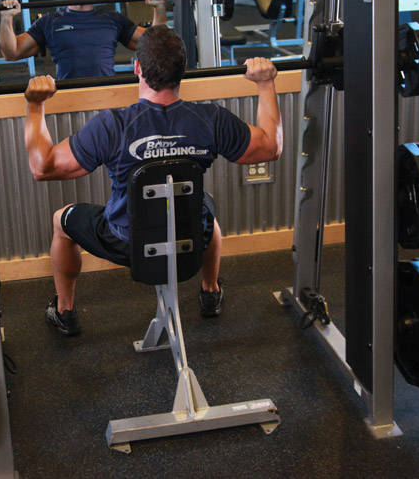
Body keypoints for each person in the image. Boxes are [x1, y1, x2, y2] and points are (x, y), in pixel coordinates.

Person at [22, 26, 282, 336]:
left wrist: (35, 105)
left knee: (61, 222)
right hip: (189, 242)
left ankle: (64, 311)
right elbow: (271, 147)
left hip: (126, 243)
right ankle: (210, 290)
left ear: (137, 68)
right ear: (182, 71)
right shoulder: (211, 119)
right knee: (204, 208)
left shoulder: (112, 125)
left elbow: (43, 166)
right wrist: (266, 83)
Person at [0, 0, 168, 79]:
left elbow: (156, 45)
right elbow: (11, 53)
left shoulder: (112, 20)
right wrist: (6, 19)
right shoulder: (50, 22)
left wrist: (159, 9)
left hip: (107, 96)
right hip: (70, 98)